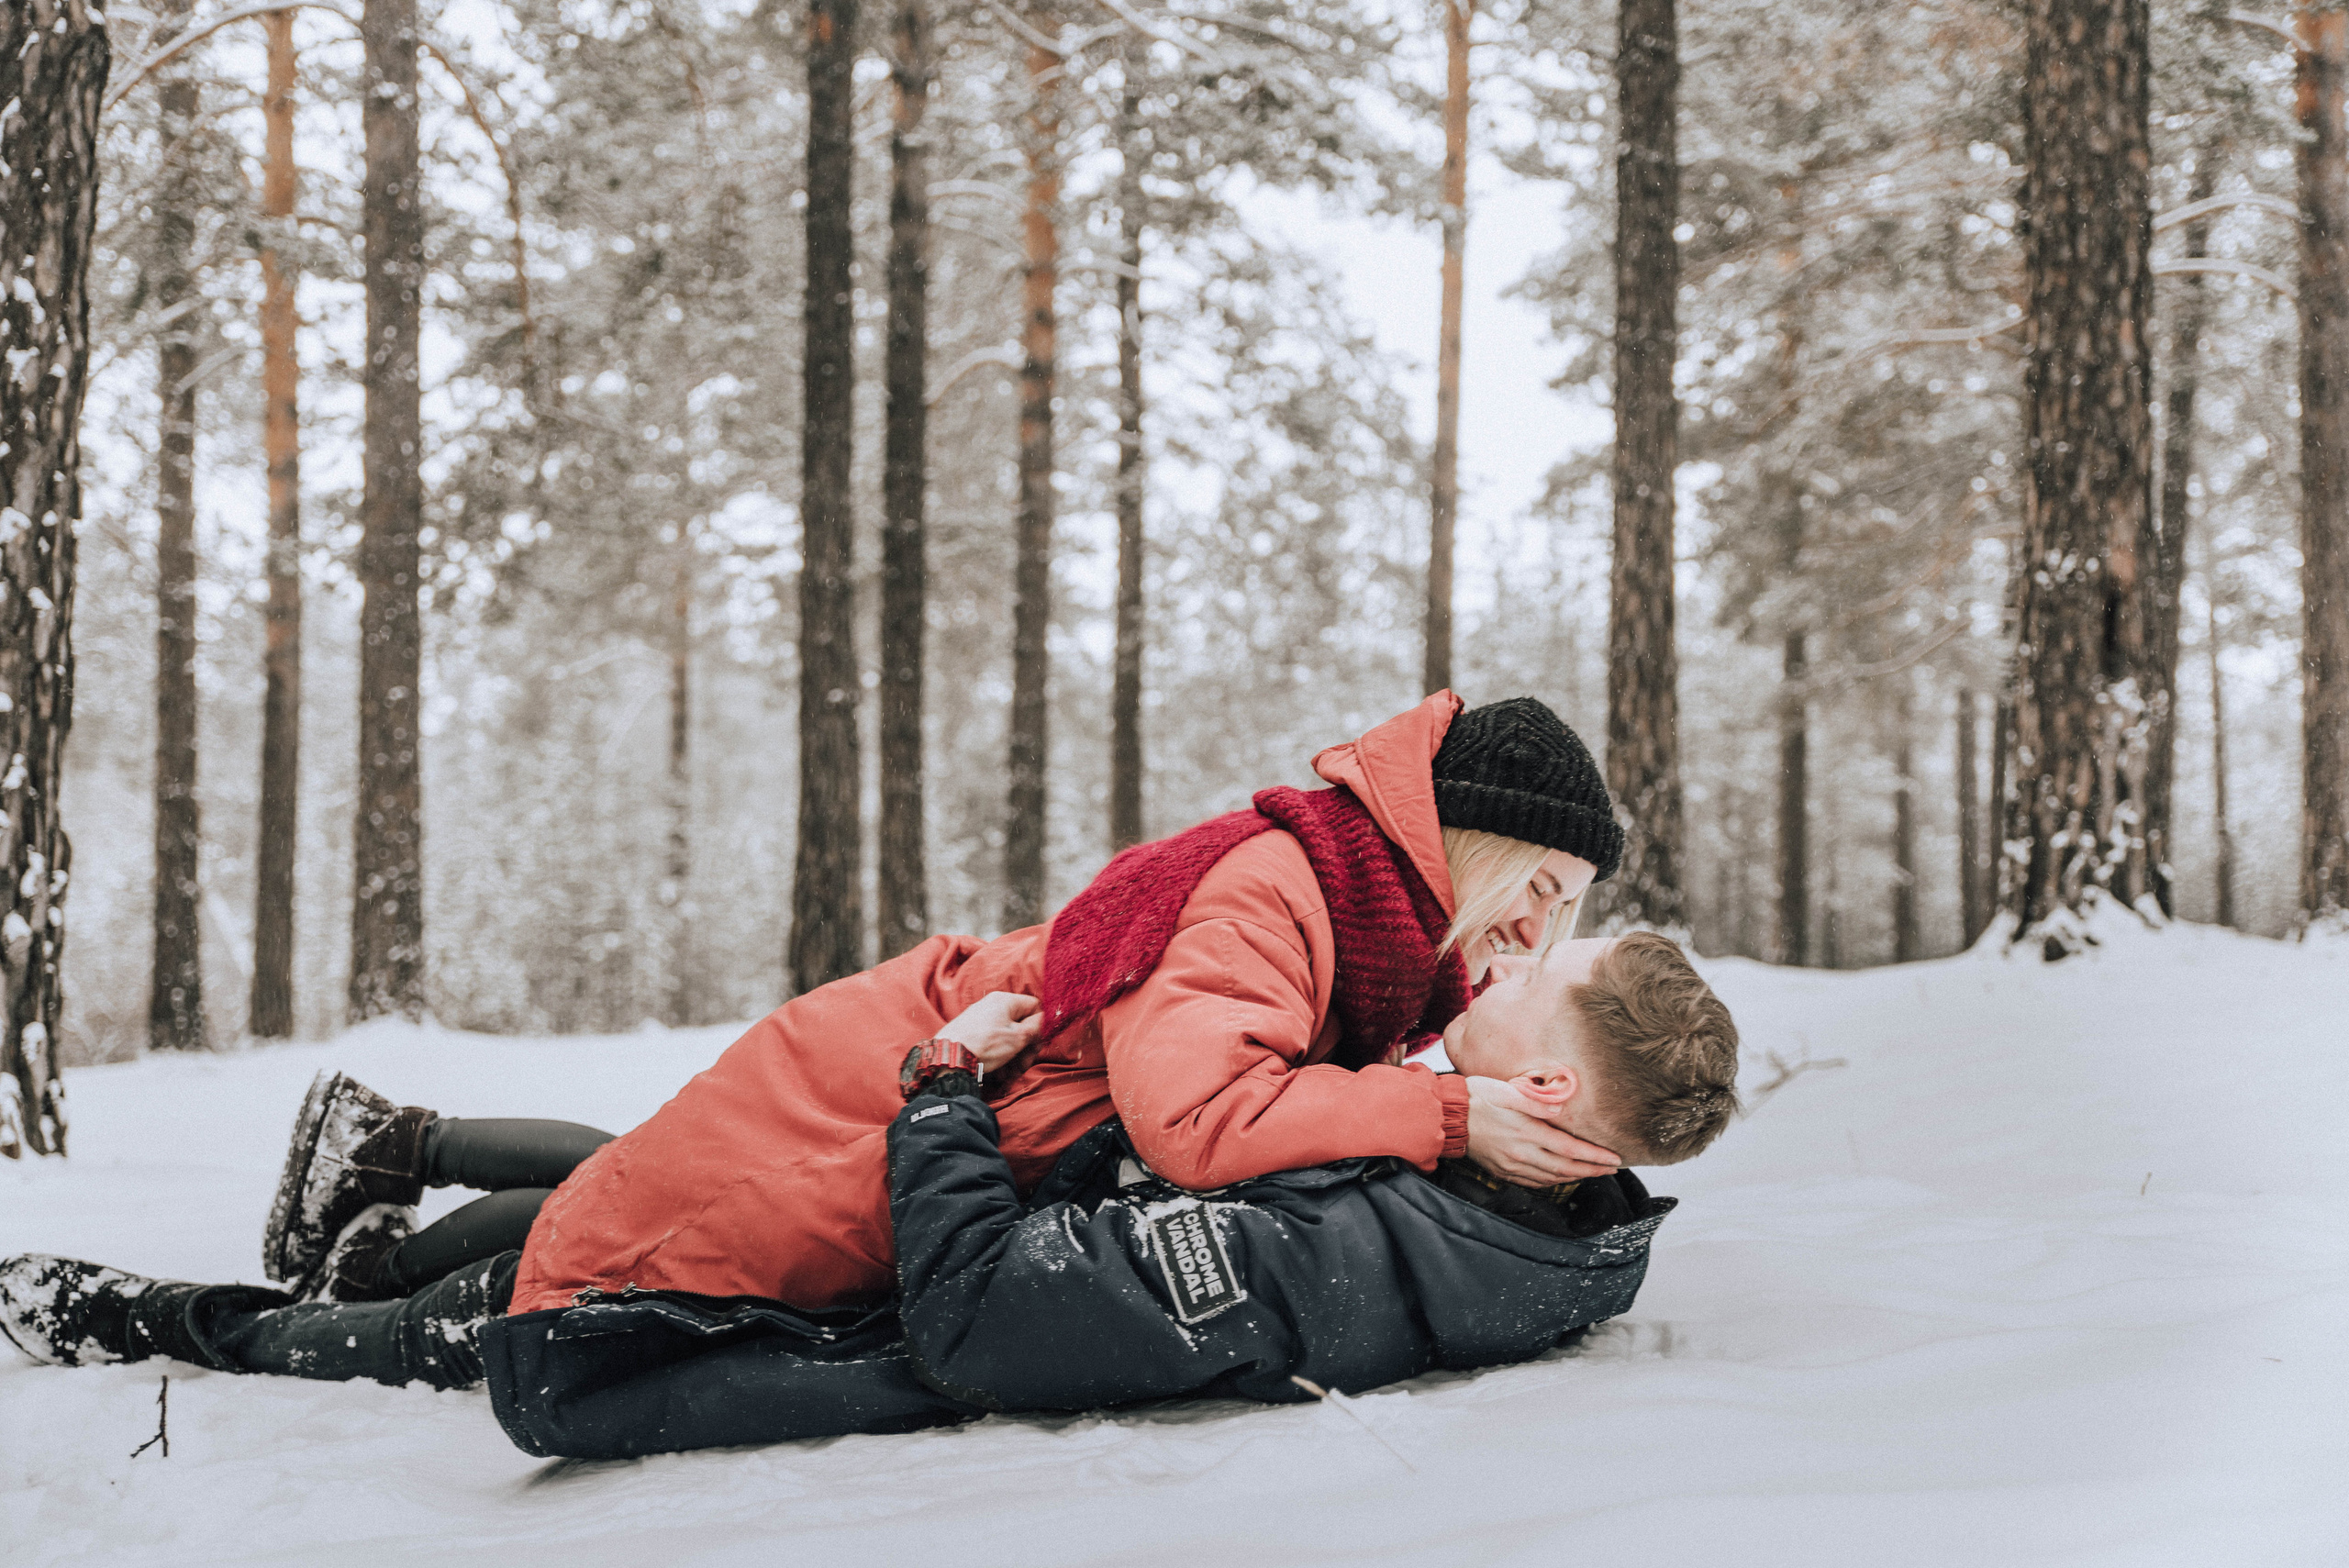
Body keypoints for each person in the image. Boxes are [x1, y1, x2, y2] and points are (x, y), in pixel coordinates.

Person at [0, 931, 1741, 1460]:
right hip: (814, 1257)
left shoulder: (1344, 1247)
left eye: (1540, 973)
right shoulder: (1499, 1187)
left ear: (1559, 1093)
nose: (1493, 964)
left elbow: (987, 1309)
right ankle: (380, 1201)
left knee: (402, 1333)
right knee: (568, 1213)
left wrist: (946, 1085)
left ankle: (115, 1313)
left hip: (772, 1329)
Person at [489, 691, 1651, 1320]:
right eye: (1537, 888)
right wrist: (1444, 1115)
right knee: (579, 1289)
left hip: (955, 1100)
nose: (1532, 930)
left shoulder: (1376, 925)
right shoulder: (1282, 893)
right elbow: (1196, 1119)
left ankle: (373, 1231)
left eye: (1564, 911)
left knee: (585, 1256)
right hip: (869, 1103)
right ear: (1477, 847)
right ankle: (311, 1326)